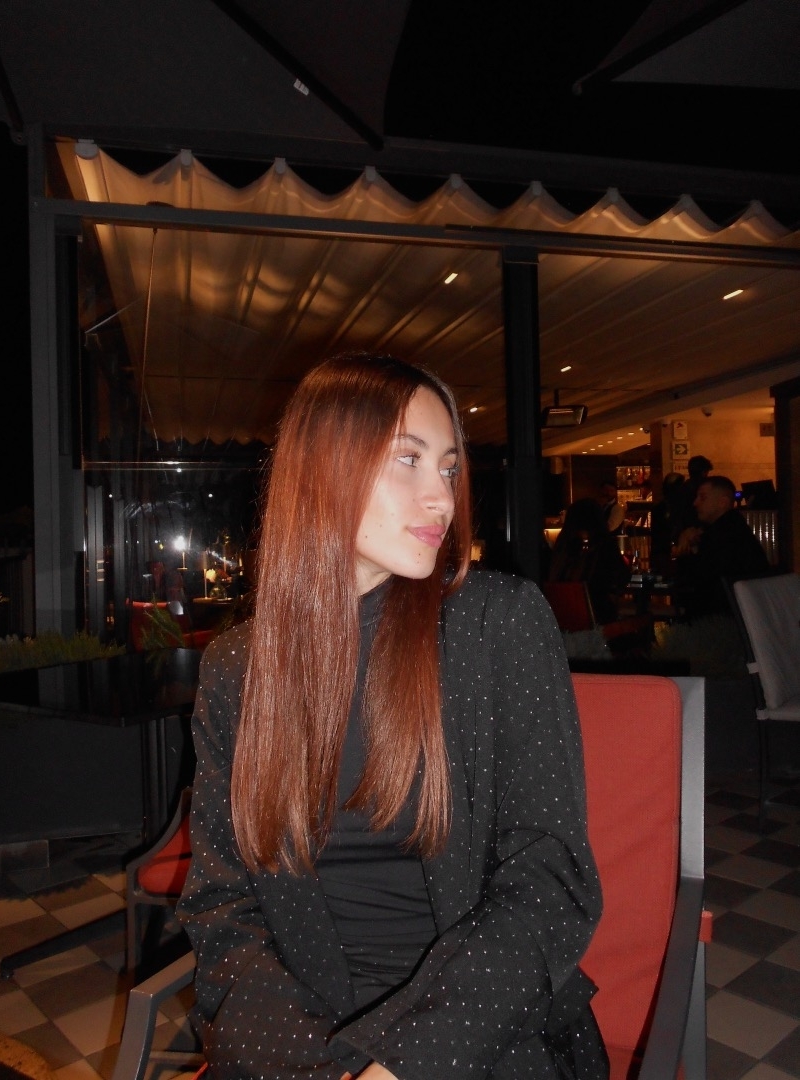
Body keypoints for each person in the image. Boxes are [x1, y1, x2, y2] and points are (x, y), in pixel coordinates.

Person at [177, 354, 606, 1080]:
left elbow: (549, 879)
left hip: (478, 1032)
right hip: (301, 1036)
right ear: (322, 469)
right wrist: (322, 1063)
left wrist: (405, 1063)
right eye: (408, 459)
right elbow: (222, 905)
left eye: (448, 468)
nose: (441, 496)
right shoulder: (238, 669)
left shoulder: (496, 625)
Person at [674, 474, 770, 619]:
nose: (695, 503)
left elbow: (696, 580)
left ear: (723, 502)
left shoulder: (723, 534)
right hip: (745, 615)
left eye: (702, 497)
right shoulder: (731, 528)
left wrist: (685, 551)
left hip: (727, 619)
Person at [548, 497, 630, 624]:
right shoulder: (604, 547)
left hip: (561, 622)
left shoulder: (561, 550)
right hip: (598, 621)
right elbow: (622, 578)